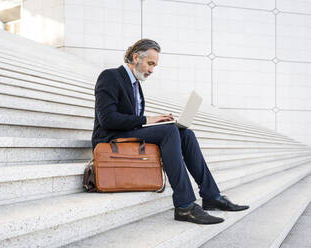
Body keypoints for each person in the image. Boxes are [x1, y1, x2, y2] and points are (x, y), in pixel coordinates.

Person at [91, 39, 249, 225]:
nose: (151, 70)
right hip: (109, 138)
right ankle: (185, 205)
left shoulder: (136, 85)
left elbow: (129, 121)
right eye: (150, 64)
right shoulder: (110, 76)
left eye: (154, 66)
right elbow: (108, 119)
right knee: (169, 132)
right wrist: (148, 120)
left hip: (127, 133)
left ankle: (211, 196)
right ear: (136, 57)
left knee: (185, 134)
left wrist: (154, 122)